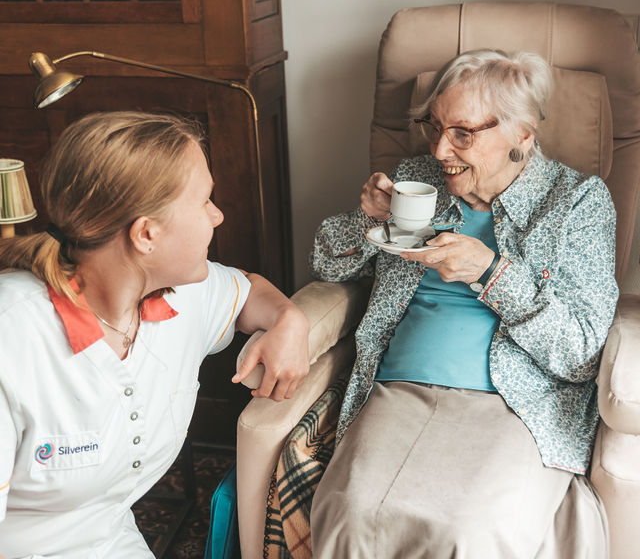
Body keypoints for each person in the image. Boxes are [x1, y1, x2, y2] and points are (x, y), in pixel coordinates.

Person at [308, 50, 618, 558]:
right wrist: (367, 222)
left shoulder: (577, 202)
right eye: (434, 127)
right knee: (350, 509)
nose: (440, 149)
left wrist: (490, 273)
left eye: (463, 133)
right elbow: (326, 264)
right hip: (398, 388)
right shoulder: (417, 179)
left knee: (468, 533)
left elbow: (582, 353)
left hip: (513, 405)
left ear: (522, 133)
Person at [0, 111, 309, 559]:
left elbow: (249, 293)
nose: (217, 215)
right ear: (146, 234)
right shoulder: (12, 339)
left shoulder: (183, 297)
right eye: (205, 201)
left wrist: (290, 320)